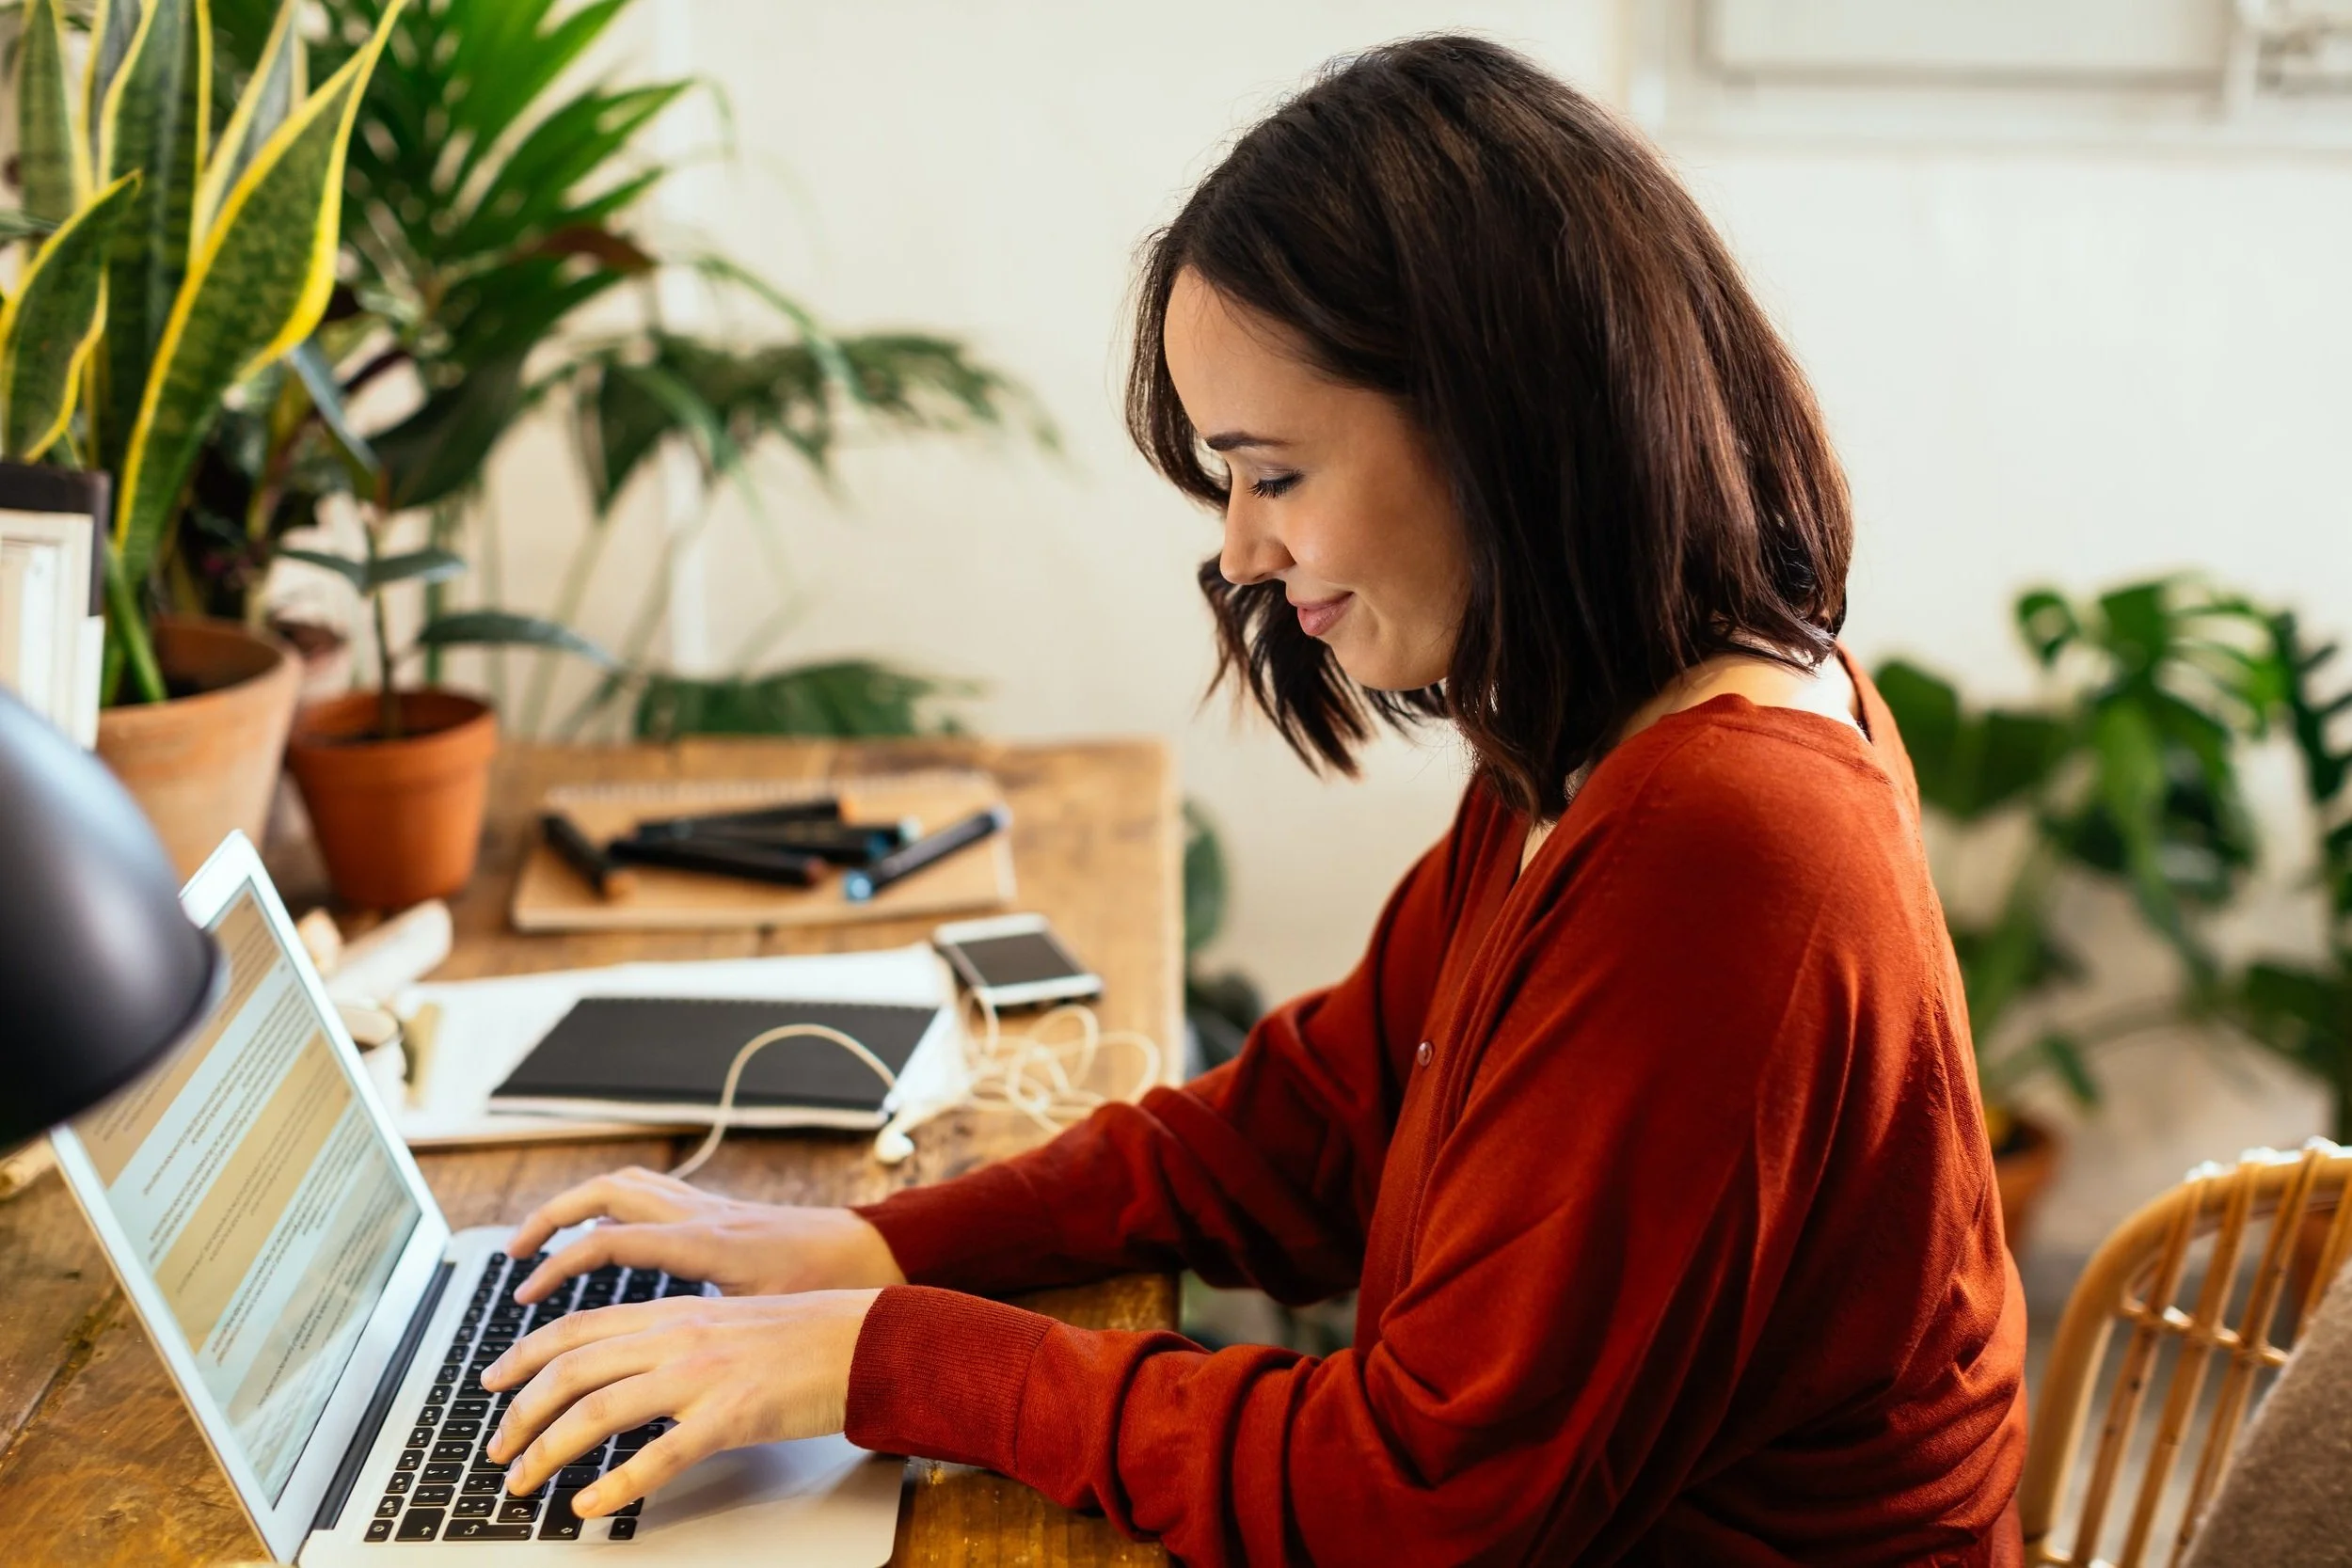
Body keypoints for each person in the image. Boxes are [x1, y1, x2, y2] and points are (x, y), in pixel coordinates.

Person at [478, 36, 2026, 1565]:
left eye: (1272, 474)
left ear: (1495, 423)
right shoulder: (1603, 731)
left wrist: (890, 1355)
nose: (1237, 548)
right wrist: (877, 1248)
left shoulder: (1727, 841)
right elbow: (1322, 1125)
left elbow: (1420, 1494)